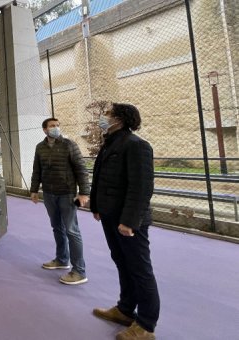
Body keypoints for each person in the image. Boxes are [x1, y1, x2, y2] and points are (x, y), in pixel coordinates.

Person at [90, 103, 159, 340]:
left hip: (128, 220)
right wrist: (97, 207)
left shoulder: (136, 145)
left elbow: (141, 188)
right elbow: (100, 177)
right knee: (122, 261)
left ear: (119, 119)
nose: (104, 117)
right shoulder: (110, 143)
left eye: (108, 114)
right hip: (110, 216)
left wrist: (129, 221)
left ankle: (146, 325)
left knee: (140, 269)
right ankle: (125, 309)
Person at [30, 118, 90, 285]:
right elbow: (37, 170)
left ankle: (79, 271)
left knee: (72, 230)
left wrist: (84, 192)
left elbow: (81, 169)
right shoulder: (40, 147)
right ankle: (62, 259)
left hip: (67, 194)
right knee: (57, 227)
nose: (56, 128)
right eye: (52, 126)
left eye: (57, 125)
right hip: (49, 195)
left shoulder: (69, 145)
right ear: (45, 130)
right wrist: (34, 190)